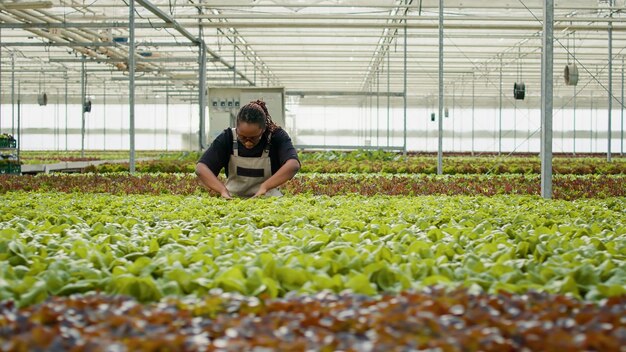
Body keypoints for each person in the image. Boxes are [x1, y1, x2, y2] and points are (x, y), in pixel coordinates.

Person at [196, 99, 300, 198]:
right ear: (236, 128)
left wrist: (265, 187)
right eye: (242, 137)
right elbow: (201, 168)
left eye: (254, 138)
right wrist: (222, 190)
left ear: (263, 129)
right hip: (233, 199)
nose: (248, 142)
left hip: (268, 199)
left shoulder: (276, 137)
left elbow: (293, 165)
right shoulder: (227, 137)